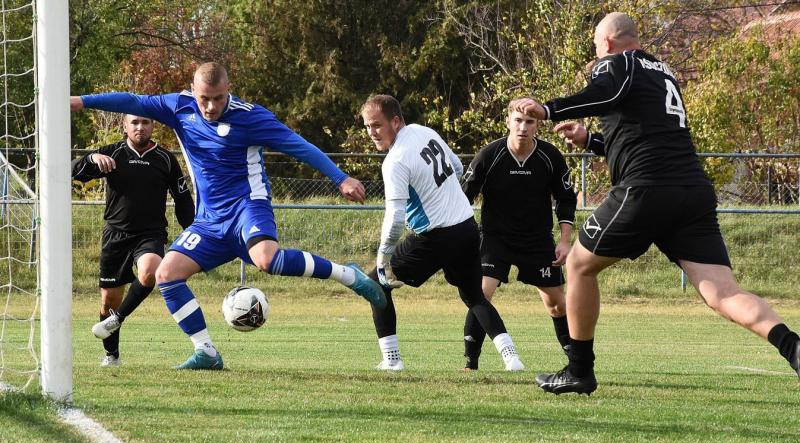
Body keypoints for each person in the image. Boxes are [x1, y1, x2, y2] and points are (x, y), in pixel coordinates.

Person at [517, 12, 800, 395]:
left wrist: (547, 109)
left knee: (581, 264)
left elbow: (604, 94)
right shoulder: (663, 72)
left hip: (646, 189)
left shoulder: (618, 63)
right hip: (690, 191)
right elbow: (644, 139)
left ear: (607, 43)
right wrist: (591, 140)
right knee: (722, 293)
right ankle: (793, 348)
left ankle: (579, 371)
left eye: (596, 47)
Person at [70, 62, 386, 370]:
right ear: (193, 91)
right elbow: (132, 100)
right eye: (203, 98)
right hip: (209, 220)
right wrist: (82, 102)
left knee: (267, 260)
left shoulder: (251, 117)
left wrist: (340, 177)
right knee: (167, 275)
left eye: (217, 98)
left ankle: (348, 275)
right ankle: (206, 351)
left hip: (248, 206)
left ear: (228, 91)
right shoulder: (179, 106)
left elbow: (298, 146)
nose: (209, 106)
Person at [361, 94, 523, 372]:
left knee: (376, 282)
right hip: (467, 227)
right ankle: (511, 357)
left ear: (396, 122)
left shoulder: (395, 161)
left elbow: (395, 218)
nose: (372, 133)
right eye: (367, 126)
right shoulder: (423, 131)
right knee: (474, 296)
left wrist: (382, 257)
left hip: (436, 236)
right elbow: (458, 167)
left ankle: (392, 359)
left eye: (377, 125)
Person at [460, 98, 577, 371]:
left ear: (537, 125)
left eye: (530, 122)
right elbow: (463, 197)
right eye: (518, 120)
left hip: (536, 241)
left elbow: (566, 199)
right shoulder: (490, 155)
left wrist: (564, 241)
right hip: (494, 238)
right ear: (508, 122)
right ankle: (470, 363)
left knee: (557, 305)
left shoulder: (550, 157)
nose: (523, 127)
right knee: (482, 293)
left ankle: (576, 362)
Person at [72, 114, 195, 366]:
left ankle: (119, 318)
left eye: (146, 122)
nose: (140, 127)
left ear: (153, 126)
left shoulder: (166, 159)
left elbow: (183, 200)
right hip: (115, 236)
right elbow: (74, 171)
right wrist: (91, 158)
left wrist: (192, 230)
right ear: (125, 126)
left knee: (150, 272)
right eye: (135, 123)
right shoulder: (112, 153)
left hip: (150, 234)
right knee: (108, 302)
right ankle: (112, 355)